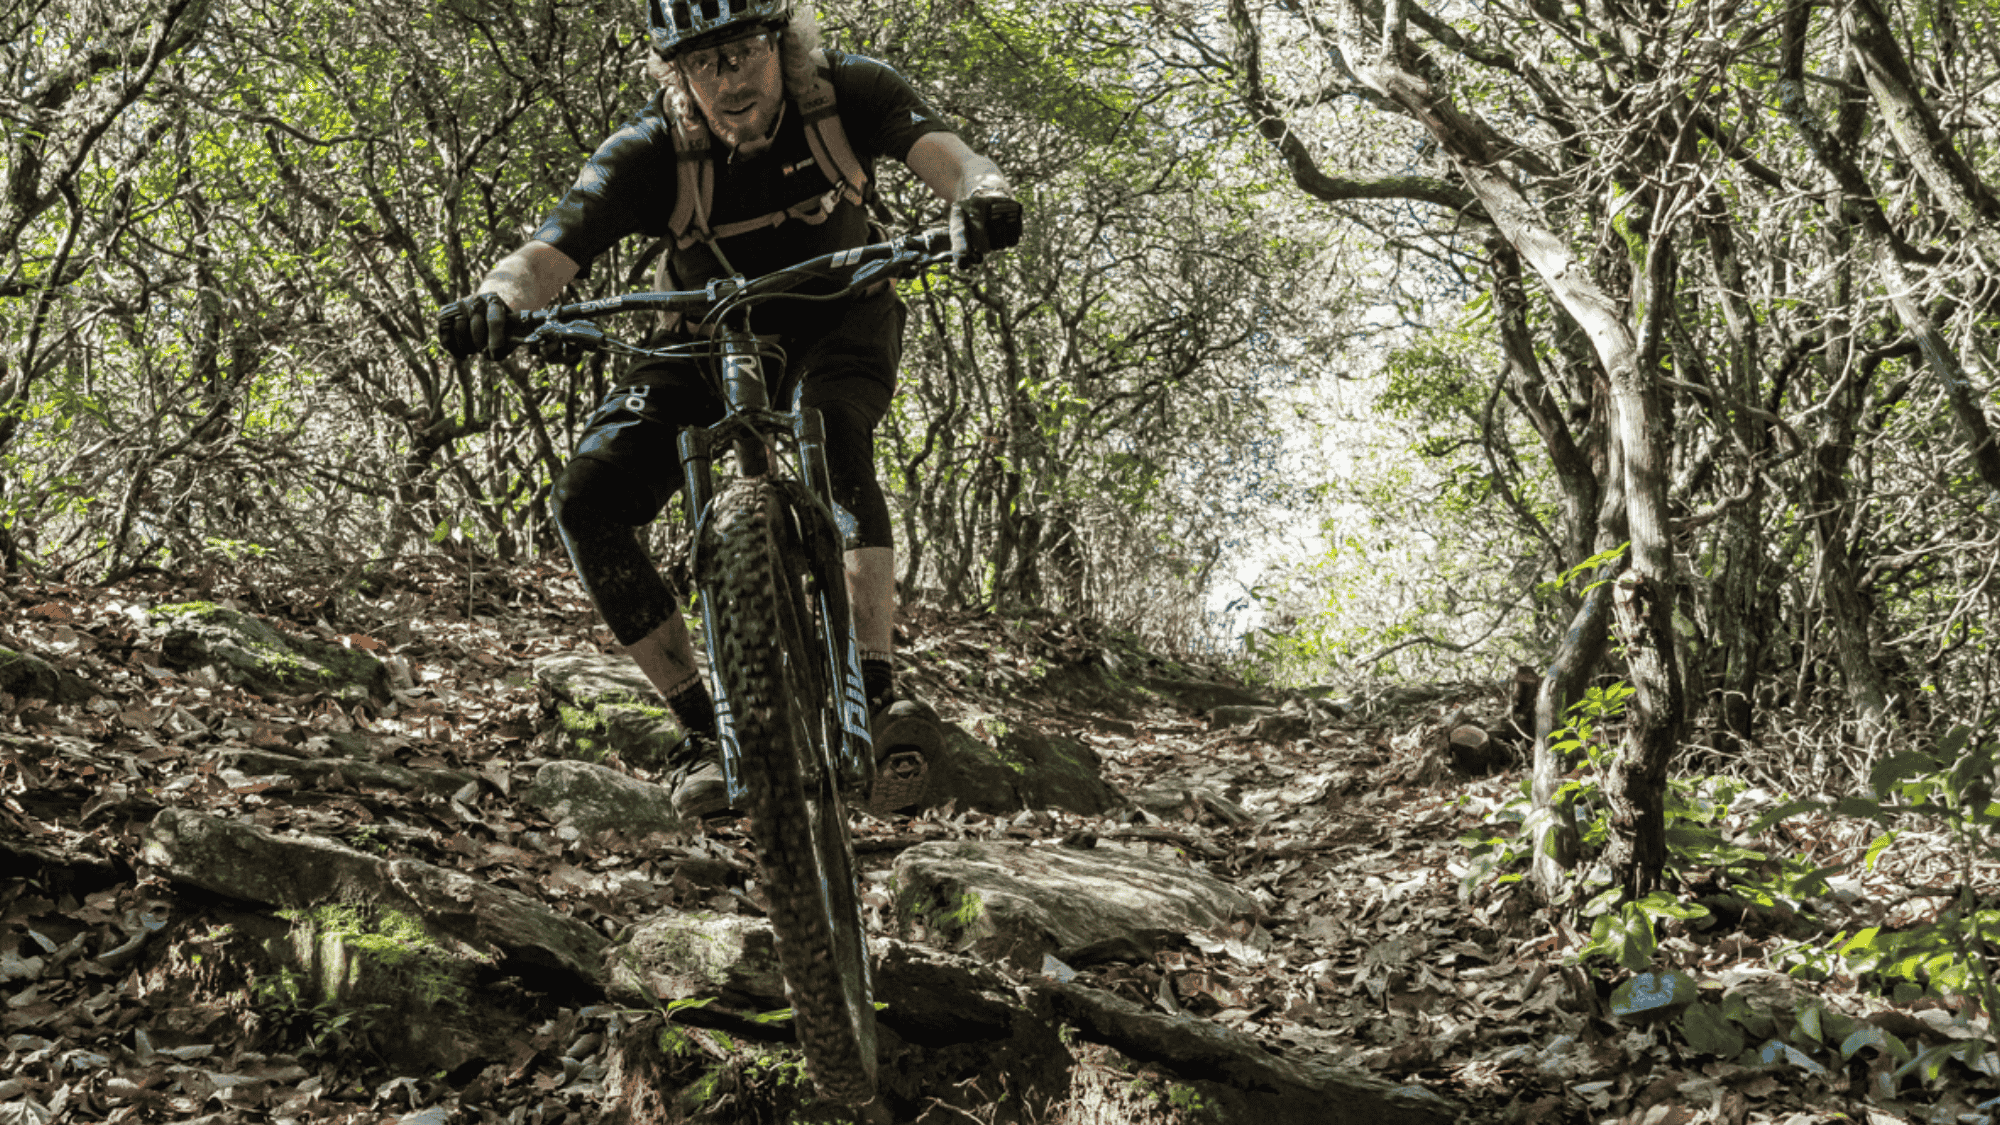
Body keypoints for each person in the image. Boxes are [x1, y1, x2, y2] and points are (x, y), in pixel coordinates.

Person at [438, 0, 1020, 818]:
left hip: (841, 318)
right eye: (702, 62)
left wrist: (982, 196)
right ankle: (703, 732)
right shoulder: (651, 148)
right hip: (706, 336)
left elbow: (956, 160)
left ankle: (877, 690)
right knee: (585, 500)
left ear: (783, 43)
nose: (728, 79)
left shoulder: (850, 93)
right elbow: (546, 253)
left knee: (833, 430)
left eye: (744, 51)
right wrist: (497, 298)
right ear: (677, 72)